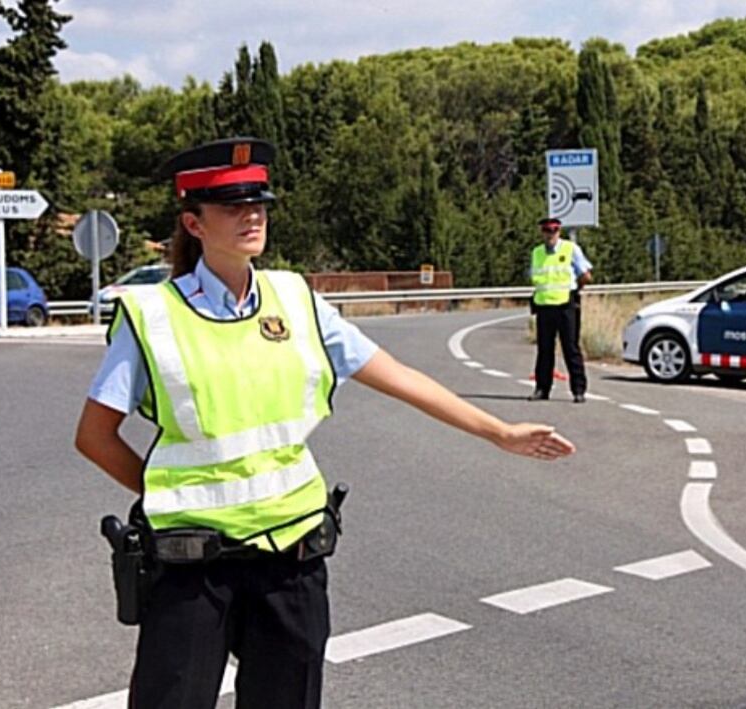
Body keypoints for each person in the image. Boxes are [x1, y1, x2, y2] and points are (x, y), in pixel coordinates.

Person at [74, 137, 575, 709]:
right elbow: (93, 436)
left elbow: (399, 376)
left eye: (258, 202)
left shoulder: (296, 299)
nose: (252, 215)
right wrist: (167, 493)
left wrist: (499, 432)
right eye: (233, 205)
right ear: (194, 222)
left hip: (291, 559)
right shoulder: (152, 316)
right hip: (193, 567)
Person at [528, 216, 592, 403]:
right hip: (544, 306)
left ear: (559, 231)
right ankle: (542, 389)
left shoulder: (570, 249)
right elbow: (536, 278)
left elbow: (586, 275)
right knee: (544, 350)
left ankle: (578, 390)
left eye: (554, 230)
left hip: (566, 305)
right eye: (547, 230)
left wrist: (575, 290)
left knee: (571, 348)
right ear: (542, 232)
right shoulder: (537, 252)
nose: (550, 234)